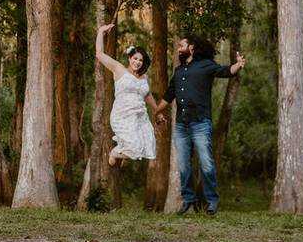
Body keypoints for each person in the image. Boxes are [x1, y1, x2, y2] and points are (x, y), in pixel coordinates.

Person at [154, 36, 245, 216]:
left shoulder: (206, 65)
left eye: (182, 45)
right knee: (184, 165)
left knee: (206, 163)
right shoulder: (178, 71)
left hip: (200, 123)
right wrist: (157, 112)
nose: (179, 48)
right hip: (181, 125)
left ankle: (211, 201)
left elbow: (225, 71)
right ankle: (189, 201)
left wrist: (238, 65)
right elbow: (168, 95)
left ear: (193, 47)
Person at [95, 22, 157, 166]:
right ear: (129, 59)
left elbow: (147, 94)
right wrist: (100, 31)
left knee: (146, 145)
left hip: (140, 116)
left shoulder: (144, 77)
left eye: (141, 60)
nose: (138, 62)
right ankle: (115, 153)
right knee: (134, 149)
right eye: (135, 58)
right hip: (122, 116)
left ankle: (123, 153)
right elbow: (99, 54)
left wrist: (157, 111)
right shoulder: (119, 70)